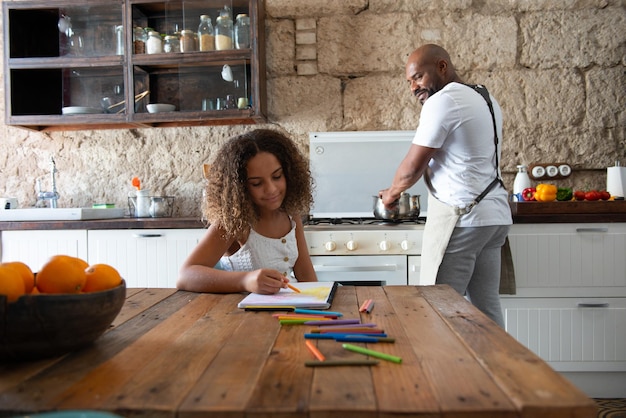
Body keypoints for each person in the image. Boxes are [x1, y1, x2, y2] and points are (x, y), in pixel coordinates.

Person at [380, 44, 512, 327]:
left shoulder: (443, 101)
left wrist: (390, 195)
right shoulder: (485, 98)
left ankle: (443, 372)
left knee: (438, 309)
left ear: (442, 67)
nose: (414, 87)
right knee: (486, 309)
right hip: (493, 219)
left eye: (418, 77)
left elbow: (412, 168)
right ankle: (493, 371)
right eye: (409, 82)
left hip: (463, 219)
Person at [178, 129, 318, 294]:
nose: (271, 189)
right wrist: (244, 281)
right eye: (257, 183)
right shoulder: (234, 221)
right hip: (243, 316)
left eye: (277, 176)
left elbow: (306, 276)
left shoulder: (290, 215)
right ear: (239, 188)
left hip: (287, 311)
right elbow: (185, 276)